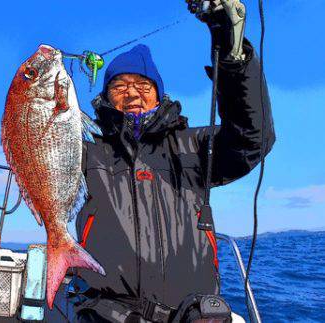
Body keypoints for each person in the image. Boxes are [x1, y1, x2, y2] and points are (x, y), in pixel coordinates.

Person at [66, 1, 275, 322]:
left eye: (142, 85)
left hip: (190, 314)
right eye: (119, 86)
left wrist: (233, 58)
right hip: (105, 312)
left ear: (158, 94)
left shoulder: (193, 144)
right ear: (105, 97)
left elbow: (252, 136)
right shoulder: (88, 151)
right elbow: (39, 161)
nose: (131, 93)